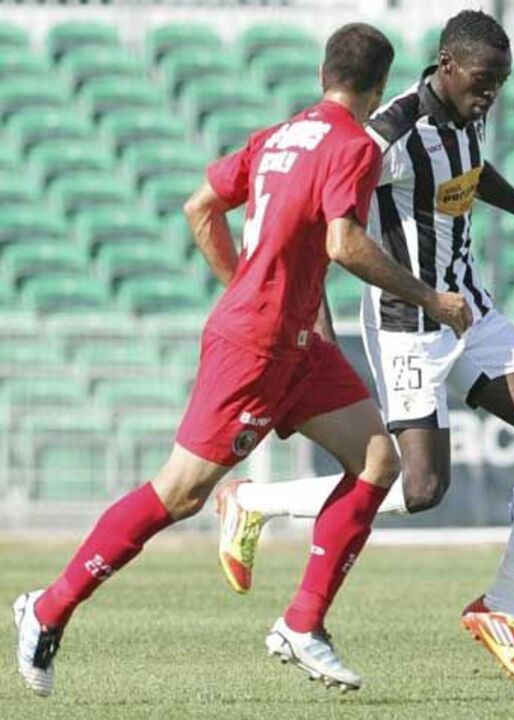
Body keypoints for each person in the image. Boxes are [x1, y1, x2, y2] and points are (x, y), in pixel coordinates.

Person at [13, 22, 471, 697]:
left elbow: (201, 206)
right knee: (179, 493)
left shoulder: (279, 136)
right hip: (256, 347)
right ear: (378, 89)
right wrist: (431, 297)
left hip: (292, 341)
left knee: (378, 460)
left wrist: (244, 285)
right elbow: (344, 244)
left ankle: (303, 623)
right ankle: (46, 608)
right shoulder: (352, 144)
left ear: (323, 75)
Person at [213, 9, 514, 683]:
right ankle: (255, 502)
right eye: (483, 80)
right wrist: (317, 321)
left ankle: (498, 605)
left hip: (469, 309)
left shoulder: (465, 112)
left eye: (501, 82)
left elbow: (470, 172)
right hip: (405, 327)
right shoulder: (385, 136)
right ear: (446, 65)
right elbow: (325, 230)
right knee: (421, 488)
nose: (491, 95)